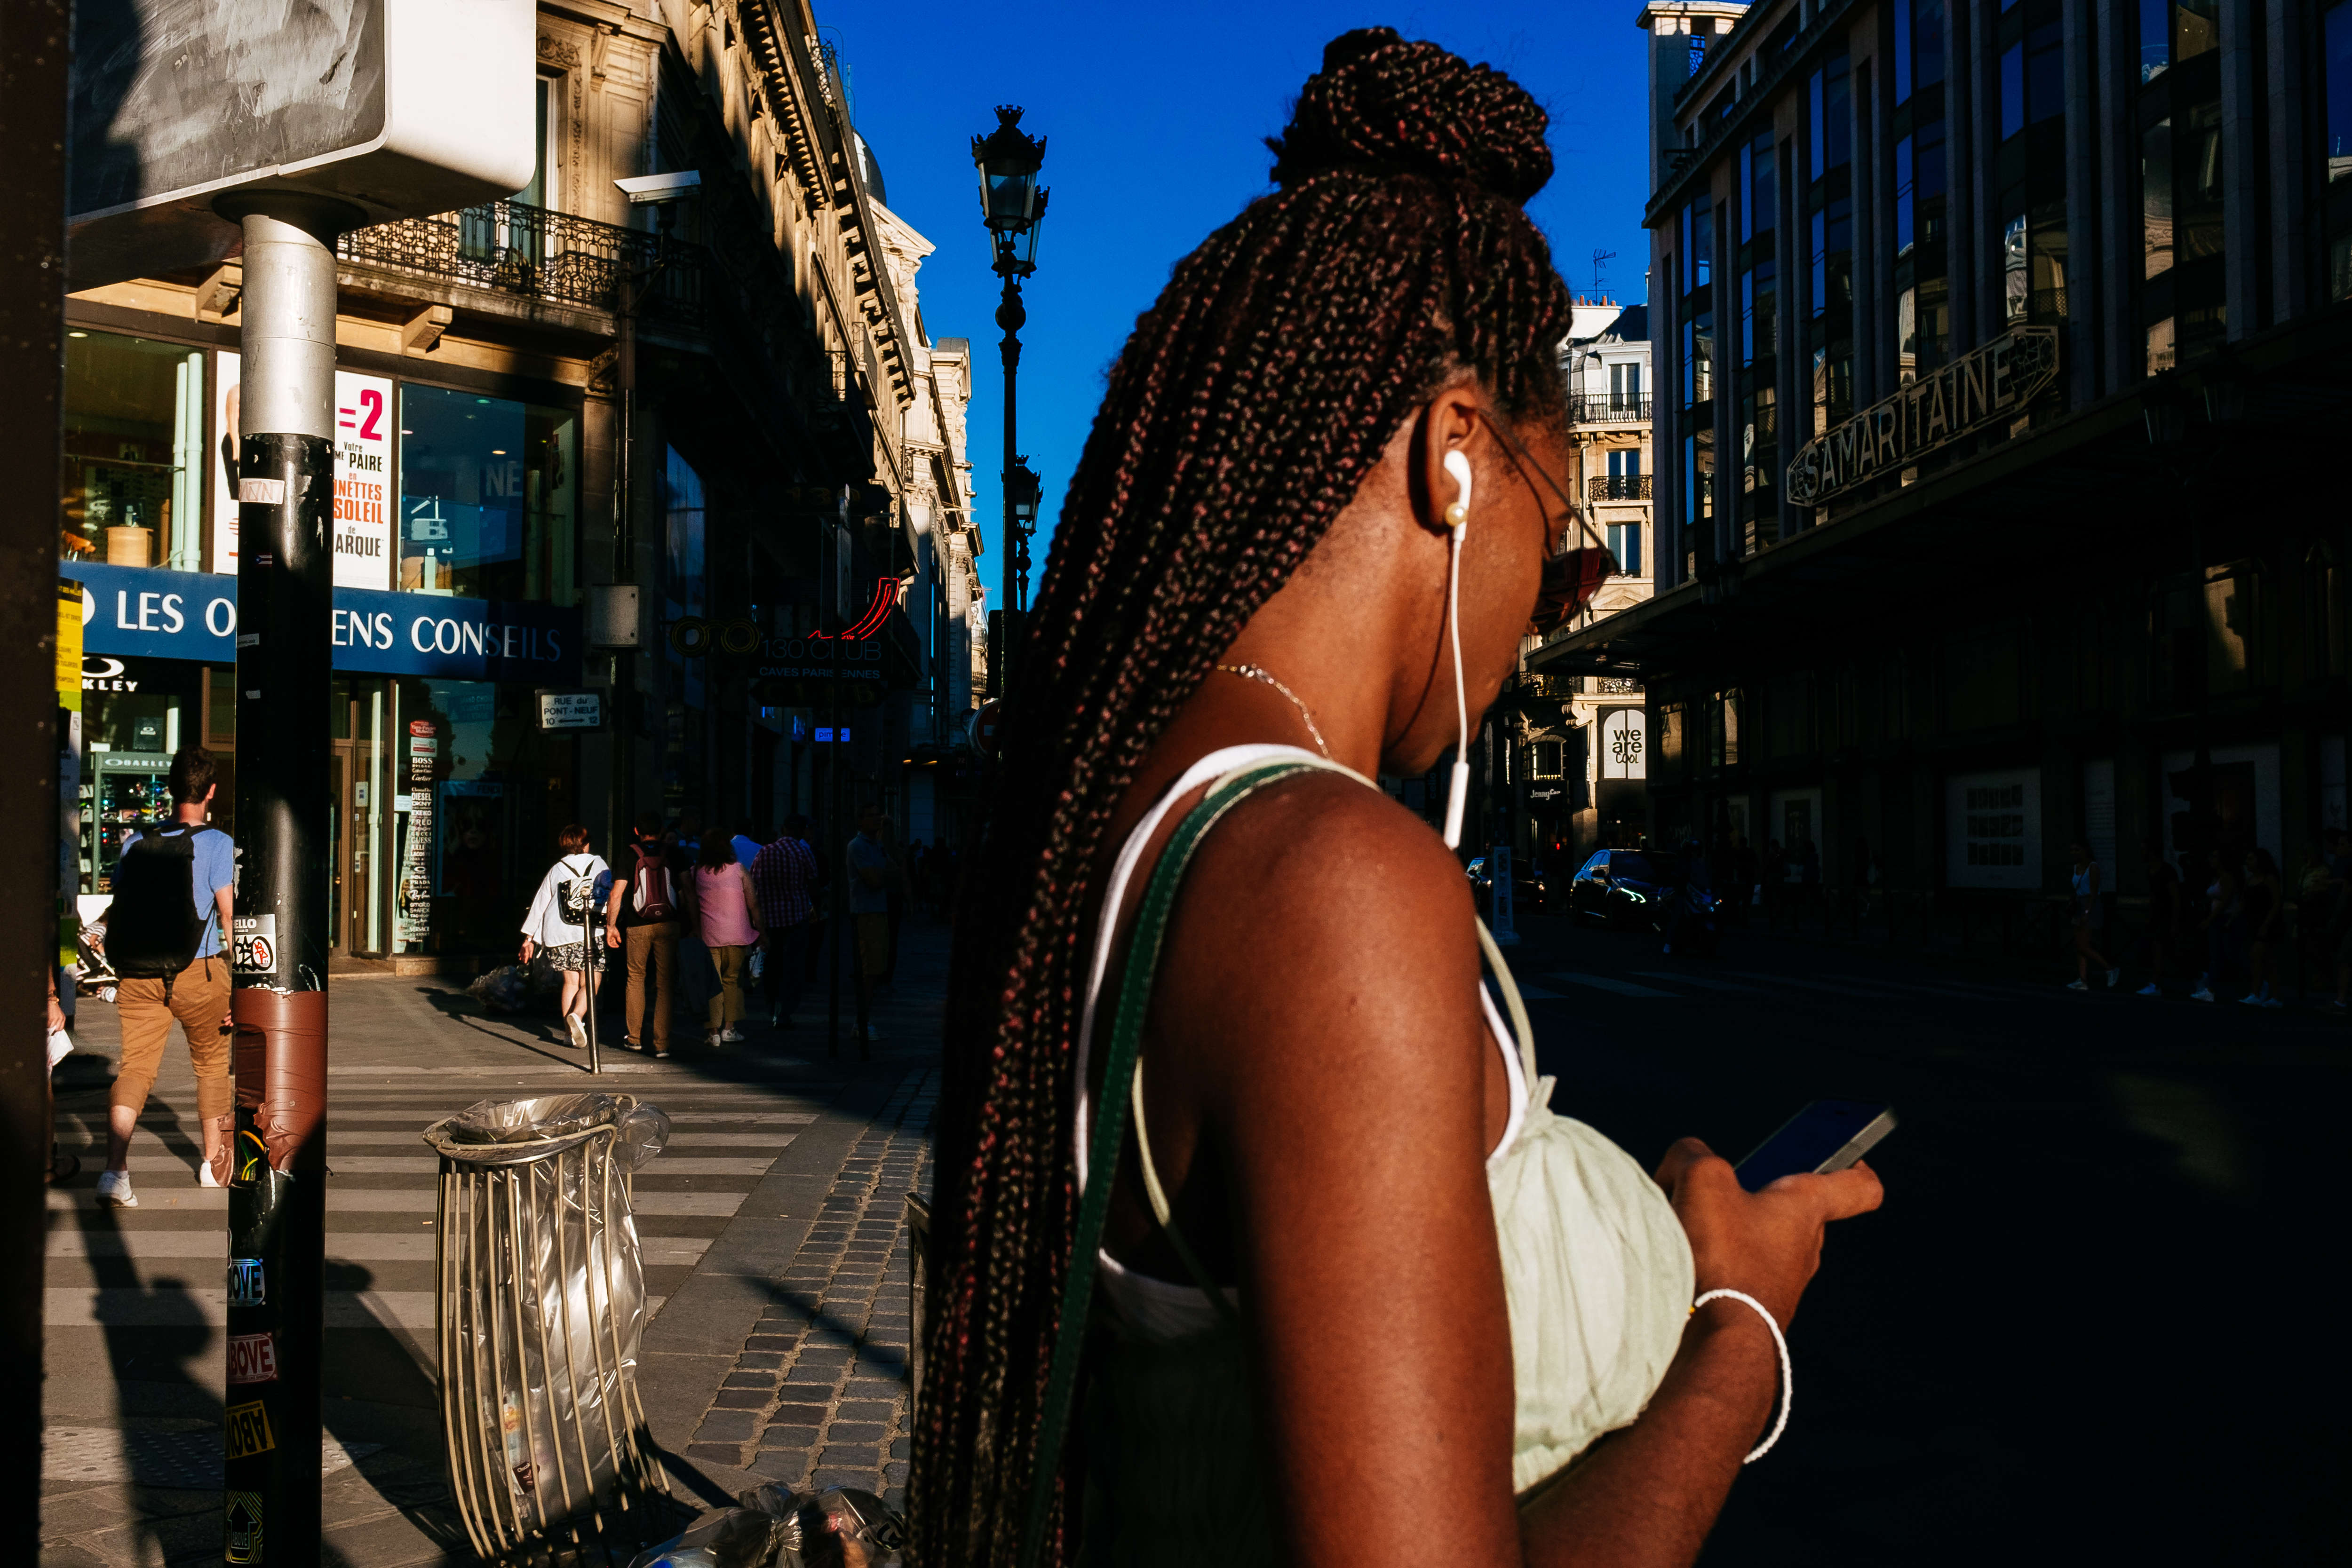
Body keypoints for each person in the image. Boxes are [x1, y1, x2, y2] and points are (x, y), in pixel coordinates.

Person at [910, 33, 1883, 1566]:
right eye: (1553, 542)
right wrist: (1737, 1327)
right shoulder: (1333, 880)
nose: (1544, 613)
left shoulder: (1145, 823)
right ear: (1456, 459)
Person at [96, 746, 235, 1206]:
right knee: (212, 1065)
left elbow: (120, 905)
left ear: (172, 787)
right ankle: (213, 1166)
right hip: (199, 971)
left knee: (135, 1067)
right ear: (210, 791)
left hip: (138, 975)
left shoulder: (136, 842)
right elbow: (229, 920)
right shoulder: (217, 843)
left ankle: (115, 1172)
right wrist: (239, 984)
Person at [518, 824, 609, 1049]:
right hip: (589, 931)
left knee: (570, 982)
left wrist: (529, 938)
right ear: (586, 844)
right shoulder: (598, 863)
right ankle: (578, 1016)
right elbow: (609, 894)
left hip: (559, 932)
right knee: (592, 981)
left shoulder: (557, 868)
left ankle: (569, 1035)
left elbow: (541, 903)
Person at [606, 811, 685, 1058]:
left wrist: (611, 925)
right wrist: (695, 924)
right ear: (661, 831)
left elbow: (616, 893)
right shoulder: (674, 852)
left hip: (637, 924)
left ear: (637, 831)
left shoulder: (629, 853)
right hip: (669, 924)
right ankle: (662, 1044)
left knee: (636, 978)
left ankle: (635, 1039)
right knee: (665, 984)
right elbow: (689, 892)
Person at [751, 816, 820, 1029]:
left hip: (770, 919)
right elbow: (813, 882)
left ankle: (771, 1006)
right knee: (794, 966)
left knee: (773, 965)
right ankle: (785, 1012)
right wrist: (816, 908)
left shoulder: (765, 851)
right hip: (797, 917)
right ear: (800, 832)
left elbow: (754, 881)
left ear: (782, 830)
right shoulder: (803, 852)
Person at [695, 834, 762, 1047]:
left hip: (709, 936)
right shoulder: (739, 870)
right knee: (732, 981)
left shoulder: (696, 872)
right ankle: (729, 1029)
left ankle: (713, 1032)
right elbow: (754, 904)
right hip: (736, 934)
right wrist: (763, 933)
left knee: (711, 983)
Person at [844, 802, 891, 1052]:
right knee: (868, 969)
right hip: (865, 912)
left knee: (876, 969)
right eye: (871, 816)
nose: (877, 820)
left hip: (879, 911)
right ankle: (861, 1022)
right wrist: (886, 875)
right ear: (860, 821)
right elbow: (874, 879)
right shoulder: (858, 846)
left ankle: (864, 1019)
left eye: (878, 816)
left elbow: (894, 870)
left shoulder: (878, 845)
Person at [2190, 847, 2243, 1003]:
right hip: (2218, 919)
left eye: (2214, 856)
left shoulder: (2227, 877)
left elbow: (2225, 901)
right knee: (2219, 955)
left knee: (2226, 955)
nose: (2210, 860)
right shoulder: (2217, 877)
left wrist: (2210, 919)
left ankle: (2212, 989)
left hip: (2225, 920)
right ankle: (2211, 988)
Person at [2066, 840, 2118, 991]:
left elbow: (2094, 893)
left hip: (2090, 905)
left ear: (2085, 851)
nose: (2074, 853)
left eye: (2077, 850)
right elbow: (2075, 888)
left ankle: (2109, 968)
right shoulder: (2076, 867)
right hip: (2079, 904)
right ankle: (2083, 980)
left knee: (2084, 945)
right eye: (2072, 850)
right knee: (2079, 945)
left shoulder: (2093, 867)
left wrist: (2087, 912)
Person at [2136, 842, 2184, 997]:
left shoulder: (2166, 871)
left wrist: (2175, 922)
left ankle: (2156, 984)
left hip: (2165, 916)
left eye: (2144, 850)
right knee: (2162, 950)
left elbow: (2175, 898)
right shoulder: (2152, 871)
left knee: (2160, 948)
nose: (2141, 853)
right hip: (2157, 916)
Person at [2240, 847, 2284, 1009]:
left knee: (2258, 958)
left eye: (2251, 859)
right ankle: (2274, 995)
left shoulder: (2269, 879)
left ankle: (2257, 993)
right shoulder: (2250, 880)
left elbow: (2276, 903)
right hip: (2254, 924)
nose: (2247, 862)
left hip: (2267, 925)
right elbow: (2244, 903)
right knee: (2267, 962)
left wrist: (2267, 924)